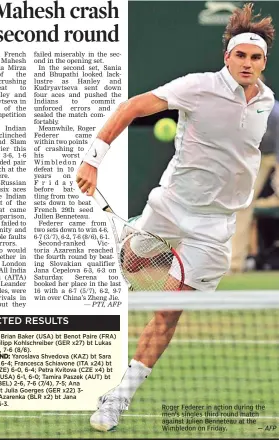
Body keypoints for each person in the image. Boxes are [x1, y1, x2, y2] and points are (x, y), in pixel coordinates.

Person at [76, 3, 275, 432]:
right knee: (131, 263)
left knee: (167, 311)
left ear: (264, 62)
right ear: (228, 57)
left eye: (255, 57)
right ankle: (138, 243)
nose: (247, 63)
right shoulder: (196, 87)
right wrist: (93, 160)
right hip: (170, 205)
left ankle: (118, 398)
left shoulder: (266, 101)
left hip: (214, 226)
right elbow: (130, 107)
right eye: (240, 55)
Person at [230, 98, 279, 272]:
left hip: (276, 153)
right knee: (242, 204)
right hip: (256, 156)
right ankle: (235, 264)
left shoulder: (274, 114)